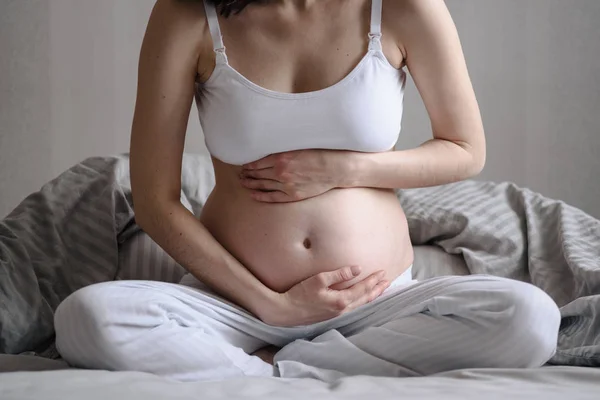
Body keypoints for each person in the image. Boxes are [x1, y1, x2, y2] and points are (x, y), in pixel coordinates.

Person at [54, 0, 561, 381]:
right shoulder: (188, 14)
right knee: (86, 318)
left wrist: (342, 171)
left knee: (530, 318)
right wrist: (272, 304)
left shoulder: (404, 7)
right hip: (238, 306)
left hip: (377, 303)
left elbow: (465, 149)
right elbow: (155, 201)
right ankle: (295, 365)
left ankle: (277, 369)